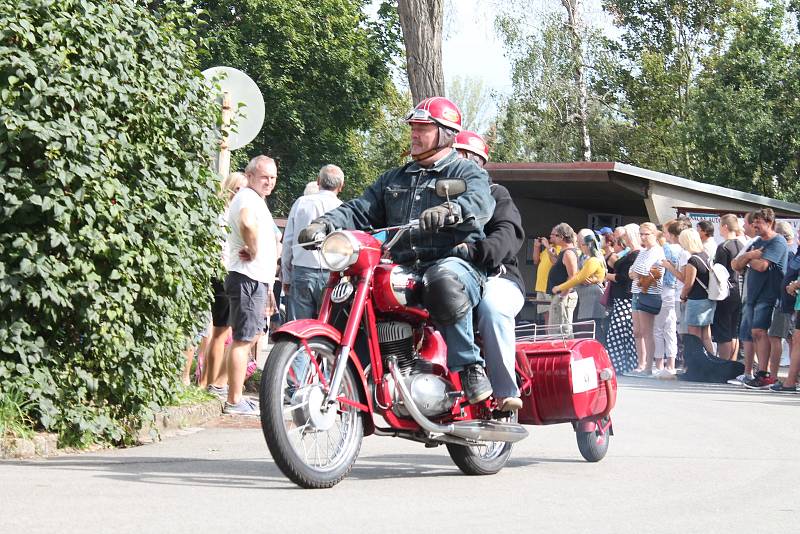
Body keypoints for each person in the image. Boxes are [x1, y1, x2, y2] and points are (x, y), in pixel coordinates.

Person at [301, 97, 496, 403]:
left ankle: (470, 367)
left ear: (445, 133)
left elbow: (479, 205)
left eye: (423, 128)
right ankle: (360, 374)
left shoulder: (467, 172)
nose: (414, 135)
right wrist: (325, 224)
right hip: (406, 264)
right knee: (355, 290)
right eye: (413, 128)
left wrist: (451, 211)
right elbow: (360, 209)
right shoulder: (395, 178)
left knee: (442, 279)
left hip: (455, 263)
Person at [452, 130, 526, 411]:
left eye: (463, 158)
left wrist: (476, 251)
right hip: (452, 275)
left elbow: (508, 235)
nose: (457, 164)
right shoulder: (435, 200)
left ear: (478, 163)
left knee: (492, 308)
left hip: (496, 275)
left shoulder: (497, 195)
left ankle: (504, 390)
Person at [223, 155, 278, 415]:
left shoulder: (255, 199)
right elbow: (246, 223)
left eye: (273, 177)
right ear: (251, 175)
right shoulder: (246, 197)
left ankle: (228, 389)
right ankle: (234, 400)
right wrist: (254, 250)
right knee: (244, 339)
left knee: (249, 336)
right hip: (246, 277)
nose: (269, 182)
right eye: (264, 177)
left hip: (255, 279)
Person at [732, 208, 789, 389]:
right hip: (753, 295)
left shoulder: (778, 241)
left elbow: (763, 265)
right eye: (753, 222)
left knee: (762, 332)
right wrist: (750, 256)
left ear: (769, 222)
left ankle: (765, 374)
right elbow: (735, 263)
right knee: (755, 333)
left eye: (758, 222)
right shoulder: (755, 242)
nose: (755, 225)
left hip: (770, 294)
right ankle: (760, 373)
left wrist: (747, 260)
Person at [281, 164, 344, 321]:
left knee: (298, 328)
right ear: (341, 186)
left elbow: (288, 242)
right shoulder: (343, 209)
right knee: (328, 325)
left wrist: (286, 276)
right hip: (332, 274)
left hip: (302, 272)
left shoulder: (301, 203)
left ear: (318, 181)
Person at [203, 171, 247, 396]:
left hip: (223, 272)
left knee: (220, 331)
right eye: (237, 189)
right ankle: (212, 383)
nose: (240, 193)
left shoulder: (224, 212)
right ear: (230, 189)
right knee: (221, 332)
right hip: (224, 273)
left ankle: (209, 382)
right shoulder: (227, 213)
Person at [552, 229, 606, 341]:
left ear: (589, 245)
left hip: (592, 298)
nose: (580, 247)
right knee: (586, 330)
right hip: (584, 296)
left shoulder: (594, 260)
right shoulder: (585, 257)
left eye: (582, 244)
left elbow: (578, 278)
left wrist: (560, 287)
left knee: (592, 331)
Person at [629, 222, 665, 375]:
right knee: (637, 331)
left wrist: (639, 272)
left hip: (649, 293)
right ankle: (641, 363)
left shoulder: (657, 250)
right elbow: (632, 271)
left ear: (654, 234)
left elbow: (643, 270)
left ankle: (649, 366)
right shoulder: (643, 251)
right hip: (637, 291)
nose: (643, 237)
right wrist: (638, 272)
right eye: (641, 234)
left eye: (646, 234)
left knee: (647, 331)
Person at [605, 224, 640, 373]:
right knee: (621, 334)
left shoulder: (635, 254)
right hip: (622, 298)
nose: (623, 239)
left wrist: (608, 276)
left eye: (625, 236)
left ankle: (625, 365)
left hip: (626, 297)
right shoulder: (630, 253)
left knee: (618, 334)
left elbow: (625, 277)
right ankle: (621, 365)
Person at [711, 214, 744, 361]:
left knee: (723, 330)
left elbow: (719, 272)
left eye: (720, 226)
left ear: (725, 227)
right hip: (740, 290)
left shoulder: (723, 247)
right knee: (734, 331)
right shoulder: (742, 245)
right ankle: (733, 363)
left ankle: (724, 364)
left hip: (726, 292)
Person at [678, 228, 716, 355]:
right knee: (706, 335)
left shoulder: (692, 260)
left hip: (696, 300)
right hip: (708, 298)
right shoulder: (705, 255)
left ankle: (697, 364)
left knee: (694, 335)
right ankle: (712, 361)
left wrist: (683, 296)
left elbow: (689, 283)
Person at [765, 222, 795, 380]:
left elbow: (788, 277)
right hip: (788, 301)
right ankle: (793, 375)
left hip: (784, 301)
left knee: (776, 336)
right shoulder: (793, 252)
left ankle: (774, 376)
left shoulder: (786, 252)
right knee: (792, 340)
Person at [545, 223, 579, 336]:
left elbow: (572, 276)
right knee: (555, 329)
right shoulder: (563, 251)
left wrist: (562, 295)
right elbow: (559, 267)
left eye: (555, 235)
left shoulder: (569, 253)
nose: (553, 237)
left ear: (562, 237)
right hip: (560, 295)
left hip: (564, 297)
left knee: (562, 330)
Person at [533, 236, 559, 324]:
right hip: (540, 286)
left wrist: (547, 246)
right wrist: (536, 247)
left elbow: (555, 261)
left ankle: (551, 337)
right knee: (546, 315)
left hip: (550, 287)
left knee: (552, 315)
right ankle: (547, 337)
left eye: (553, 234)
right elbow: (536, 261)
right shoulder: (547, 249)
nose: (550, 236)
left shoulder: (560, 248)